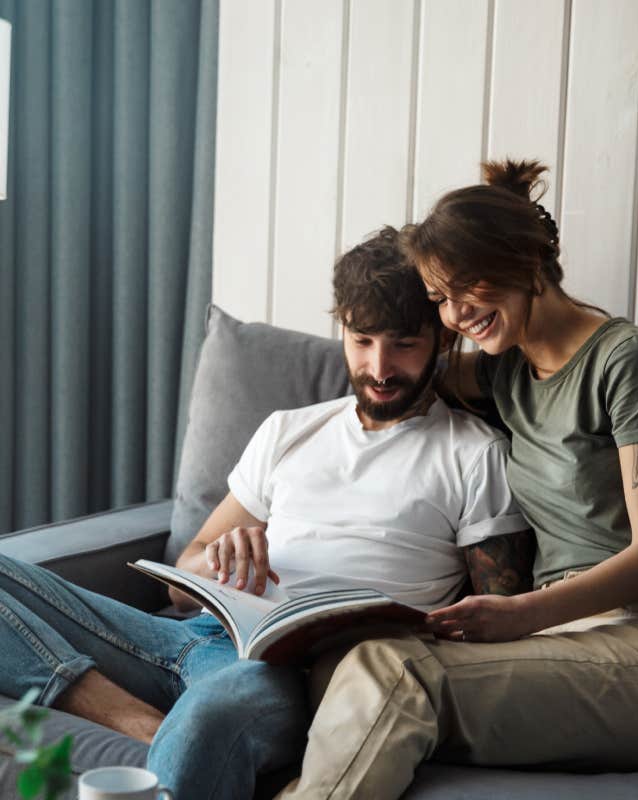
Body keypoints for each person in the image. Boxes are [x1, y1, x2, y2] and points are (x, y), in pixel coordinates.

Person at [0, 226, 531, 800]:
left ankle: (169, 729)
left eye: (404, 344)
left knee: (211, 716)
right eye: (362, 340)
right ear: (343, 331)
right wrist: (220, 561)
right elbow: (184, 579)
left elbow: (495, 623)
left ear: (440, 342)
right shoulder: (289, 430)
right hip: (195, 634)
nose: (380, 367)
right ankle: (139, 722)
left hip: (296, 676)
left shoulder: (474, 454)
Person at [277, 161, 638, 800]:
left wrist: (519, 614)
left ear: (527, 261)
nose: (456, 314)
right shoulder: (505, 374)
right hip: (566, 644)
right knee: (335, 671)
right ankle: (627, 759)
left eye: (468, 288)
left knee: (391, 673)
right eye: (440, 299)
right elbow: (399, 378)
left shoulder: (630, 362)